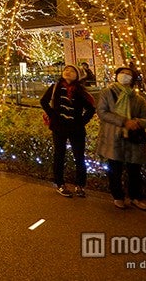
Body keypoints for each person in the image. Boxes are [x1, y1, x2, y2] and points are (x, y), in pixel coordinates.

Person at [96, 67, 146, 210]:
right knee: (115, 169)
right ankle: (118, 196)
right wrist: (124, 121)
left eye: (128, 74)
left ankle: (135, 197)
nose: (125, 76)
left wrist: (137, 122)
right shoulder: (107, 93)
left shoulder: (138, 98)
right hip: (113, 136)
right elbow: (102, 112)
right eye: (122, 73)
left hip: (133, 138)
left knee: (135, 170)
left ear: (133, 79)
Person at [40, 64, 95, 197]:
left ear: (77, 75)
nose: (68, 72)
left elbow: (91, 108)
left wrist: (82, 121)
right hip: (59, 127)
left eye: (72, 71)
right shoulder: (55, 87)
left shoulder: (80, 91)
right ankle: (60, 184)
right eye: (66, 70)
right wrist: (53, 115)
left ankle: (80, 185)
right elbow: (44, 101)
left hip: (76, 128)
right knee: (59, 155)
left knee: (79, 157)